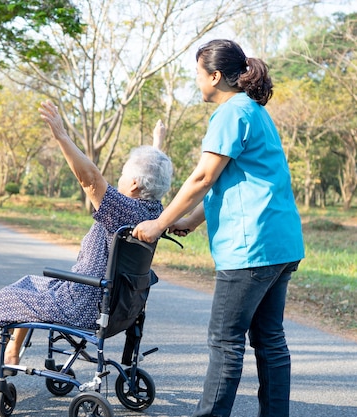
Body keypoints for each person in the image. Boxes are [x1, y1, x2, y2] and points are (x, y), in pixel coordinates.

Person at [132, 39, 305, 417]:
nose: (196, 82)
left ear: (214, 76)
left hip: (251, 249)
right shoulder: (255, 111)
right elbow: (242, 180)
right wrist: (190, 221)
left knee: (226, 343)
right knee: (270, 340)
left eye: (198, 74)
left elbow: (203, 178)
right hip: (281, 244)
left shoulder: (230, 114)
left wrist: (158, 224)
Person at [0, 100, 173, 383]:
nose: (117, 179)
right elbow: (152, 172)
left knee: (5, 298)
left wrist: (61, 135)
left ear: (133, 184)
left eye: (122, 174)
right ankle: (11, 355)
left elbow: (90, 180)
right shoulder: (154, 210)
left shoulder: (122, 208)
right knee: (28, 284)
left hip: (83, 302)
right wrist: (157, 144)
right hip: (117, 305)